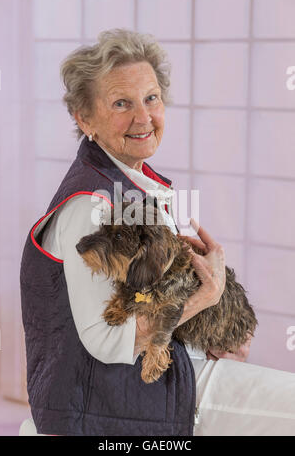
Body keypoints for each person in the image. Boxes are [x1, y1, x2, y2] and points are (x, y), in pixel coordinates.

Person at [19, 29, 295, 437]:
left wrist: (217, 332)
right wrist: (207, 296)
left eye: (151, 98)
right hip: (108, 403)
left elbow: (149, 292)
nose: (143, 117)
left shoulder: (131, 182)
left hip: (158, 380)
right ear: (84, 118)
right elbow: (104, 339)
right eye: (121, 103)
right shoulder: (90, 205)